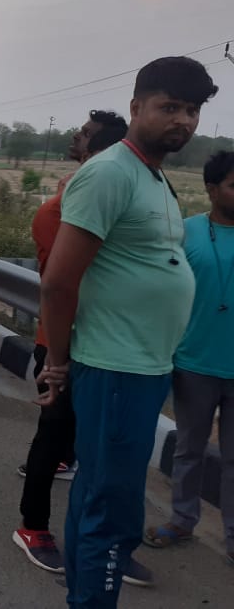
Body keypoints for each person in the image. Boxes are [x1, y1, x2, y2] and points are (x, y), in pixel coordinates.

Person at [38, 56, 218, 607]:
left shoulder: (152, 174)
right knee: (113, 512)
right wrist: (59, 363)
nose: (183, 120)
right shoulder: (110, 173)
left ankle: (83, 594)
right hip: (116, 367)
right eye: (170, 106)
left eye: (192, 110)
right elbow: (58, 283)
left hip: (140, 366)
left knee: (99, 496)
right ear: (137, 107)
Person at [13, 111, 129, 575]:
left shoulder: (100, 193)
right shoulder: (61, 206)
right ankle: (33, 526)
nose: (74, 138)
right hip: (62, 337)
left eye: (83, 134)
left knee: (89, 438)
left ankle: (102, 537)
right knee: (54, 428)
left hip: (105, 337)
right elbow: (63, 279)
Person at [143, 150, 234, 568]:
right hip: (194, 363)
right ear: (212, 189)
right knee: (189, 450)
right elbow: (163, 288)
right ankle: (182, 520)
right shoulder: (187, 231)